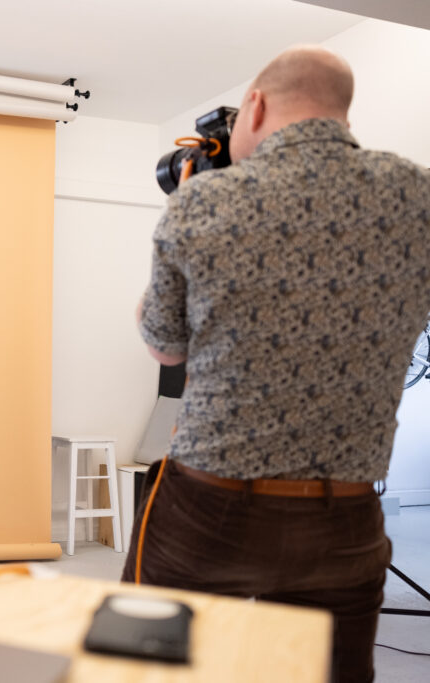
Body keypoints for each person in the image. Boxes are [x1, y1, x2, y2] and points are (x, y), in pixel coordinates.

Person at [123, 45, 430, 683]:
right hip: (345, 515)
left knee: (145, 672)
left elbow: (165, 347)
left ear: (256, 105)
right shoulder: (418, 197)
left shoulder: (202, 204)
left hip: (209, 508)